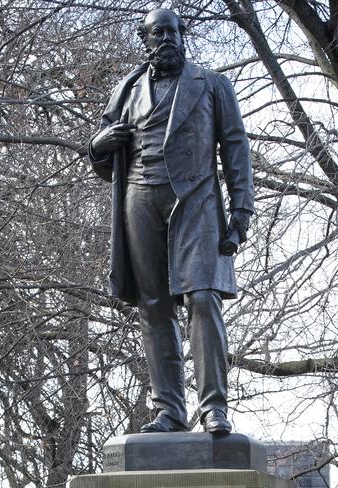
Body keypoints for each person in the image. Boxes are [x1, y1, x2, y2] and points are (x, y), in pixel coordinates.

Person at [88, 8, 254, 434]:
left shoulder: (213, 86)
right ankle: (169, 411)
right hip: (140, 200)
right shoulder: (125, 91)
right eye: (157, 33)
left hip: (196, 200)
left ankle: (214, 405)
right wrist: (97, 145)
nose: (166, 39)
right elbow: (106, 161)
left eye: (174, 31)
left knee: (203, 298)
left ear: (184, 35)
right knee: (155, 306)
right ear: (144, 39)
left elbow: (235, 150)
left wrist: (241, 212)